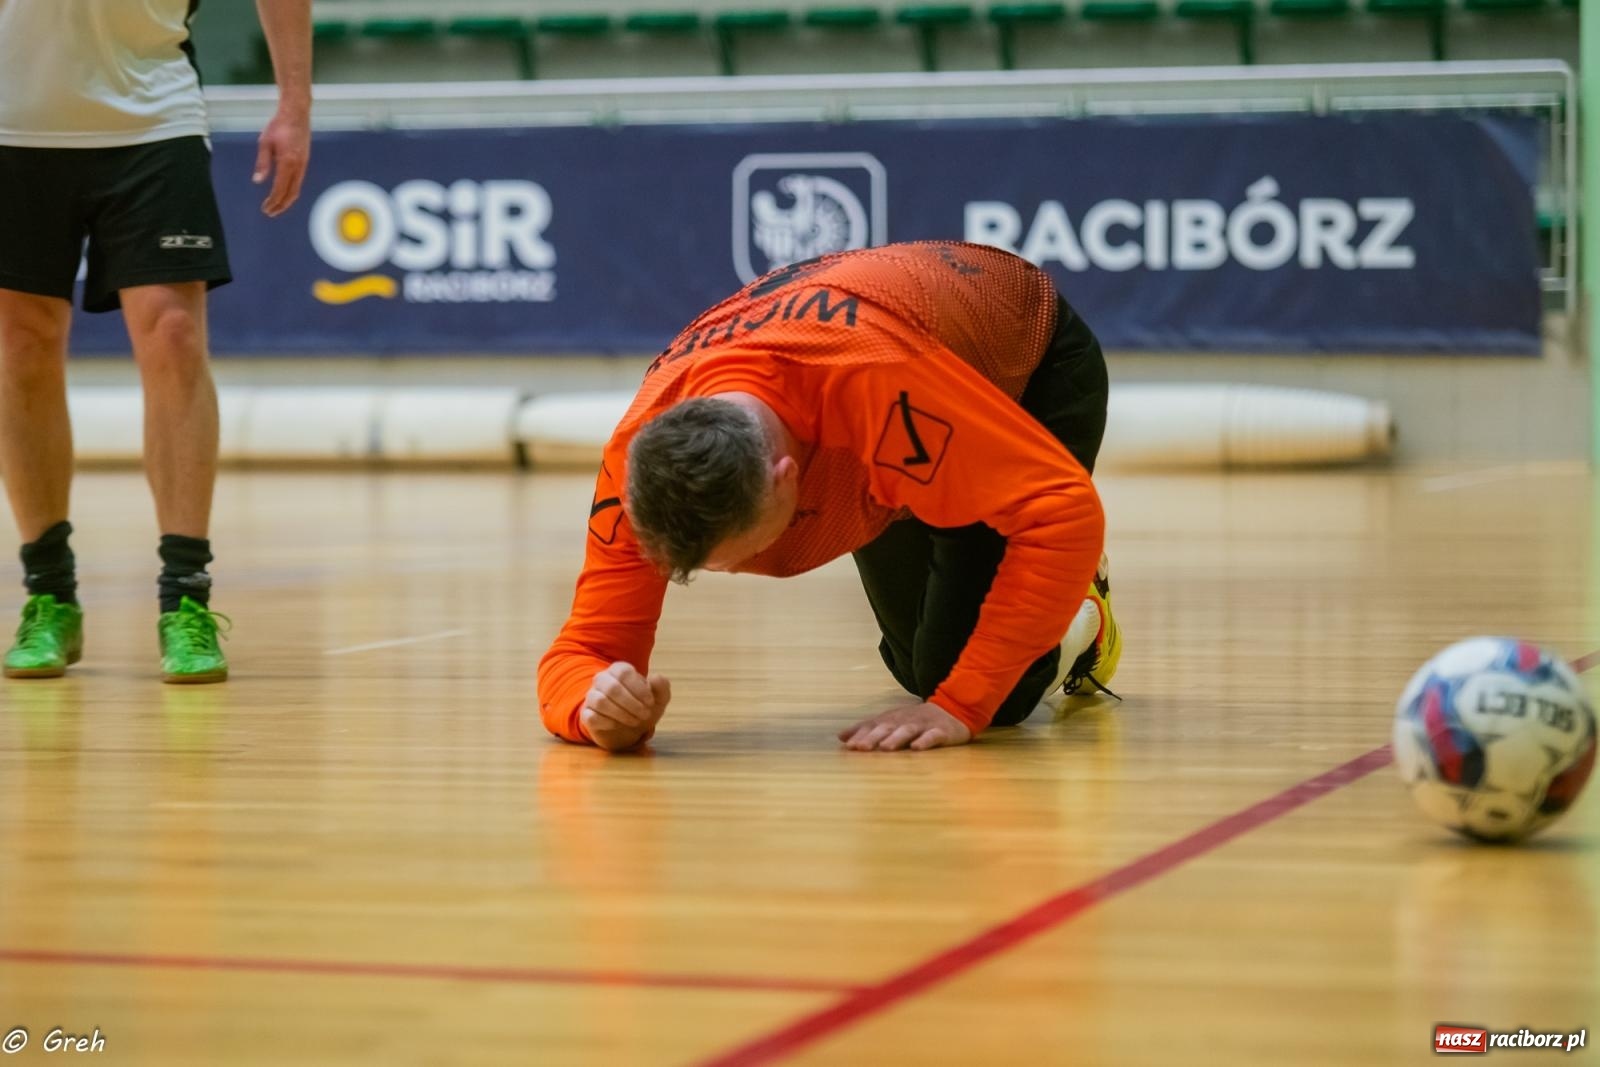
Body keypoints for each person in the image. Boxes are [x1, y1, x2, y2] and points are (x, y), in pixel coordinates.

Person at [538, 241, 1123, 753]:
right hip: (898, 384)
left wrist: (961, 708)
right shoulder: (640, 467)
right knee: (915, 666)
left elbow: (1064, 513)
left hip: (1020, 360)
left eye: (738, 555)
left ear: (788, 477)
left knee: (989, 696)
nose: (734, 572)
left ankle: (1082, 614)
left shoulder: (873, 391)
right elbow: (582, 649)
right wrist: (594, 710)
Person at [0, 0, 311, 682]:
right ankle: (48, 592)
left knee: (174, 336)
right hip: (13, 119)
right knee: (22, 345)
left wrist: (295, 102)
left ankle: (186, 597)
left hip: (151, 109)